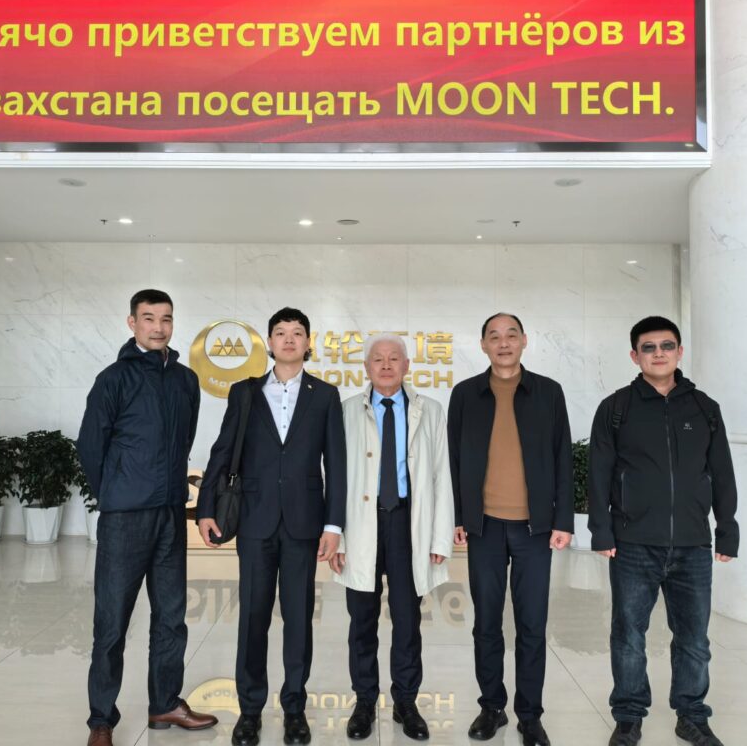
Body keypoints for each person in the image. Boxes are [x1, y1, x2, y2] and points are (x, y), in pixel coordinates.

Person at [198, 307, 346, 746]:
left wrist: (334, 524)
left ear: (308, 342)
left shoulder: (325, 395)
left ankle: (295, 709)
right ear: (269, 342)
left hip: (304, 523)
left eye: (297, 333)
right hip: (255, 520)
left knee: (298, 619)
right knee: (253, 618)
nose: (289, 339)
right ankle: (250, 711)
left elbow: (336, 463)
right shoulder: (244, 393)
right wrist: (205, 508)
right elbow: (223, 450)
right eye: (281, 332)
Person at [588, 316, 739, 746]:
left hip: (693, 543)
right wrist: (602, 530)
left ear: (679, 352)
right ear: (635, 356)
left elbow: (722, 471)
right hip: (633, 543)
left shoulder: (705, 408)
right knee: (628, 636)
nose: (659, 354)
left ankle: (691, 716)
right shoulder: (616, 408)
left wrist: (727, 528)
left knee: (694, 639)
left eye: (667, 346)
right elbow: (599, 473)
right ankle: (628, 717)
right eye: (649, 347)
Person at [77, 289, 217, 746]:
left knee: (172, 617)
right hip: (125, 518)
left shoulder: (185, 380)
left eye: (166, 319)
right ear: (132, 323)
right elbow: (90, 446)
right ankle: (101, 720)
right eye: (149, 318)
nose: (159, 327)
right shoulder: (113, 379)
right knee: (112, 622)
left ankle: (165, 704)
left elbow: (185, 439)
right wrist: (116, 492)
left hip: (170, 513)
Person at [447, 313, 573, 745]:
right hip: (484, 526)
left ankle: (530, 715)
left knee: (532, 624)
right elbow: (454, 459)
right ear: (483, 344)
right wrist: (458, 517)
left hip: (534, 529)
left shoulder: (548, 392)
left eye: (511, 335)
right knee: (486, 622)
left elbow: (562, 456)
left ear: (524, 341)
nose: (503, 343)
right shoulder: (466, 394)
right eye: (494, 336)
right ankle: (491, 707)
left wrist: (563, 520)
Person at [330, 334, 455, 741]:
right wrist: (337, 537)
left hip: (407, 523)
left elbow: (441, 475)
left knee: (407, 619)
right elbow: (334, 478)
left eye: (394, 359)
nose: (386, 366)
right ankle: (365, 701)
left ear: (407, 365)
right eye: (378, 359)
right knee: (361, 621)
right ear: (366, 367)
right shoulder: (346, 411)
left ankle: (406, 701)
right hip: (360, 524)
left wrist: (439, 538)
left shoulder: (429, 410)